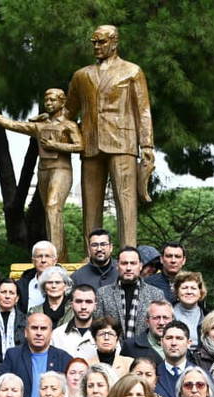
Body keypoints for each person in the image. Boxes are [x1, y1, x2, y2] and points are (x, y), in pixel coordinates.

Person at [65, 25, 153, 247]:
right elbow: (68, 111)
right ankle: (90, 253)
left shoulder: (132, 71)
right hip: (90, 144)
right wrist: (49, 123)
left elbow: (143, 111)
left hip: (122, 142)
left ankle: (128, 252)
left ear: (114, 42)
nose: (96, 46)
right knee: (90, 204)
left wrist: (147, 146)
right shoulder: (81, 75)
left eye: (101, 42)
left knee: (126, 201)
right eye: (93, 42)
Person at [0, 313, 71, 397]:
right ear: (25, 332)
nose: (39, 333)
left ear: (51, 333)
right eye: (34, 328)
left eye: (43, 328)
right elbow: (2, 389)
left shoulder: (63, 358)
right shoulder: (13, 356)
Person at [96, 246, 167, 340]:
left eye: (133, 263)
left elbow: (162, 327)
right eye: (124, 263)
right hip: (113, 351)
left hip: (145, 351)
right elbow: (97, 327)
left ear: (140, 265)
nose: (128, 268)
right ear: (117, 265)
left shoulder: (156, 294)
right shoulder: (103, 293)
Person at [156, 322, 195, 397]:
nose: (174, 343)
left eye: (179, 338)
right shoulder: (152, 374)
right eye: (169, 338)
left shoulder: (201, 376)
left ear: (189, 343)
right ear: (161, 342)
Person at [51, 284, 99, 358]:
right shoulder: (57, 335)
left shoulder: (106, 335)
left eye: (88, 302)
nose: (83, 307)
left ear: (95, 306)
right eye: (79, 301)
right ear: (71, 305)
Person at [0, 278, 26, 359]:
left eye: (11, 293)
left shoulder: (26, 321)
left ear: (17, 298)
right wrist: (0, 369)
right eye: (3, 292)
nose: (7, 296)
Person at [15, 241, 59, 312]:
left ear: (55, 261)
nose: (43, 260)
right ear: (33, 261)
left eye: (47, 256)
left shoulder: (66, 285)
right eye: (39, 256)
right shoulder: (21, 286)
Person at [171, 272, 207, 343]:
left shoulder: (208, 316)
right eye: (184, 288)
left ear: (200, 293)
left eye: (193, 288)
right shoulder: (167, 314)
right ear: (177, 292)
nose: (189, 292)